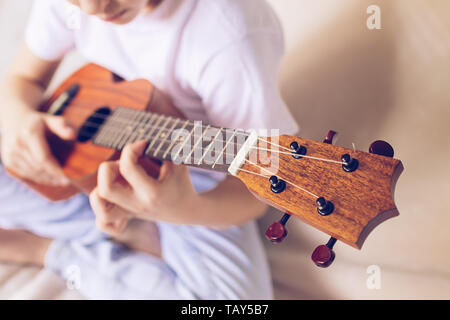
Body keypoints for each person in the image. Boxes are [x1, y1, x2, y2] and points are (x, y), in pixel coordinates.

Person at [0, 0, 298, 299]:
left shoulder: (230, 35)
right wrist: (17, 117)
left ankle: (46, 248)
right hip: (90, 159)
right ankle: (125, 226)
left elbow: (261, 187)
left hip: (199, 179)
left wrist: (183, 210)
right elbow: (24, 79)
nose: (92, 9)